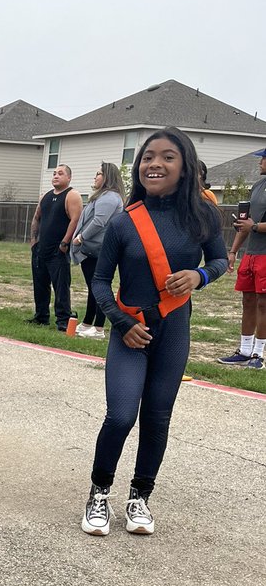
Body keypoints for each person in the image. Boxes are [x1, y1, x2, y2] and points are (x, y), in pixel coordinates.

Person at [81, 128, 227, 538]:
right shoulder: (125, 221)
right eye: (148, 157)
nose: (155, 164)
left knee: (158, 419)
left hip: (174, 333)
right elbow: (99, 281)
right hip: (131, 333)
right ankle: (99, 492)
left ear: (185, 167)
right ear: (138, 166)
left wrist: (198, 276)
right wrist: (121, 323)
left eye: (167, 157)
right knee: (122, 415)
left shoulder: (203, 215)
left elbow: (219, 262)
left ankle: (139, 497)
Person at [220, 147, 266, 372]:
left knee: (263, 304)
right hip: (251, 254)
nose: (260, 163)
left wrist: (255, 226)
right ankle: (244, 350)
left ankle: (259, 353)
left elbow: (252, 225)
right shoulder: (257, 187)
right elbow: (246, 222)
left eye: (263, 159)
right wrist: (233, 250)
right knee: (247, 302)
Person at [69, 163, 124, 339]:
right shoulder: (102, 196)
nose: (95, 177)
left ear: (107, 177)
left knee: (99, 288)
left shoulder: (109, 197)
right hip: (91, 250)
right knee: (93, 288)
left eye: (99, 174)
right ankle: (87, 323)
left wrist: (81, 237)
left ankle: (99, 328)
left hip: (98, 250)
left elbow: (99, 221)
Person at [27, 165, 82, 331]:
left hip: (58, 251)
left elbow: (75, 220)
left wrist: (65, 243)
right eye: (54, 173)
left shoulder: (72, 195)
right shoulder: (45, 196)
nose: (56, 176)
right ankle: (41, 316)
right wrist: (33, 240)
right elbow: (37, 218)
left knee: (61, 287)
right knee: (40, 285)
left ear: (69, 178)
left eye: (60, 173)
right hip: (40, 249)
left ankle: (63, 320)